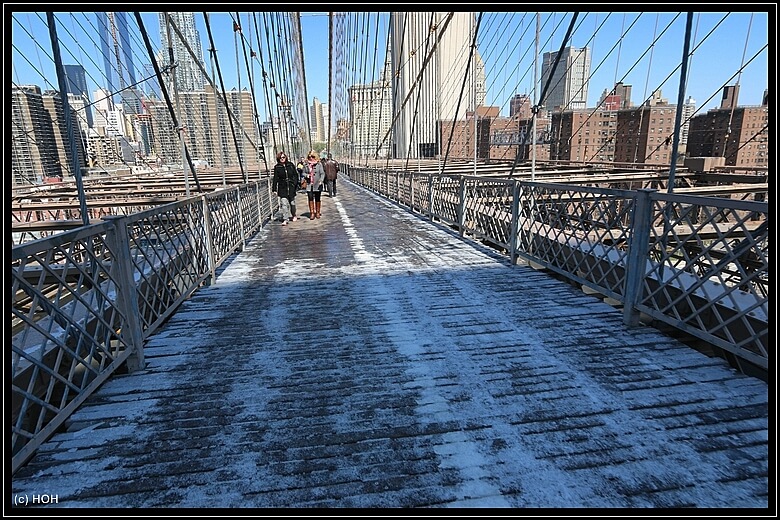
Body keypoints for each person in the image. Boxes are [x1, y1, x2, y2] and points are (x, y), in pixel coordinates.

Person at [271, 151, 299, 225]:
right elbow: (275, 178)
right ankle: (285, 219)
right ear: (278, 159)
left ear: (286, 157)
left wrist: (295, 183)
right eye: (280, 158)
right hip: (282, 187)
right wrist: (274, 189)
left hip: (291, 186)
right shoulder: (277, 167)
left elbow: (295, 175)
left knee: (292, 203)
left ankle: (294, 215)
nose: (282, 159)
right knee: (284, 204)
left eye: (283, 157)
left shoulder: (290, 165)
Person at [304, 150, 325, 219]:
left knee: (317, 198)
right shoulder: (306, 165)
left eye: (313, 156)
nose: (311, 158)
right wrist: (306, 175)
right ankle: (312, 213)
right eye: (309, 157)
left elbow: (322, 173)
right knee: (310, 198)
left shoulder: (319, 164)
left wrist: (321, 180)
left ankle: (318, 212)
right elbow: (303, 173)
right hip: (309, 184)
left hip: (317, 184)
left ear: (315, 157)